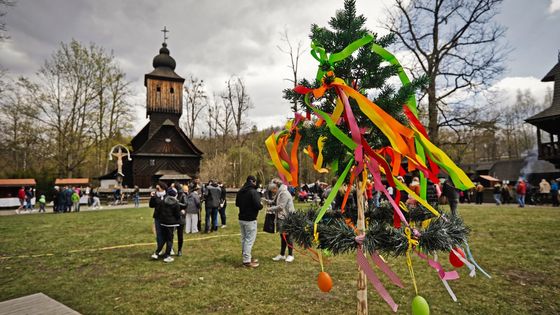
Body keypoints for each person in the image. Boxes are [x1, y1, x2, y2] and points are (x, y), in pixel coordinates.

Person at [236, 175, 263, 268]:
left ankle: (246, 257)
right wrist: (261, 204)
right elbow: (258, 206)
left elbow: (237, 204)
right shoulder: (253, 192)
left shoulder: (240, 191)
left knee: (244, 239)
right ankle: (246, 261)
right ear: (253, 182)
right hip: (250, 219)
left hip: (241, 218)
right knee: (249, 240)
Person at [266, 179, 296, 263]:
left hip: (287, 217)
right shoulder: (279, 192)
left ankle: (291, 255)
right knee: (282, 236)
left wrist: (270, 209)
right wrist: (266, 201)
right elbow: (274, 201)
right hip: (281, 217)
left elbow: (281, 206)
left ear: (276, 187)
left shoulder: (284, 193)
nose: (273, 192)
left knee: (288, 236)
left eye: (273, 189)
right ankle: (282, 254)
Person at [150, 187, 182, 263]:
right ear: (175, 195)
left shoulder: (163, 202)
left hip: (163, 223)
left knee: (163, 239)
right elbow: (177, 214)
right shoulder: (176, 203)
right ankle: (167, 256)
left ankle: (156, 253)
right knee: (169, 240)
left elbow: (160, 211)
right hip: (171, 224)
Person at [150, 183, 167, 256]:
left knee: (167, 234)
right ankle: (159, 249)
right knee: (159, 234)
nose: (156, 190)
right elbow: (151, 205)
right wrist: (152, 197)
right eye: (156, 189)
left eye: (158, 188)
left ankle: (169, 249)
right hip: (158, 217)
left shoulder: (167, 195)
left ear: (162, 188)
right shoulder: (155, 196)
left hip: (166, 218)